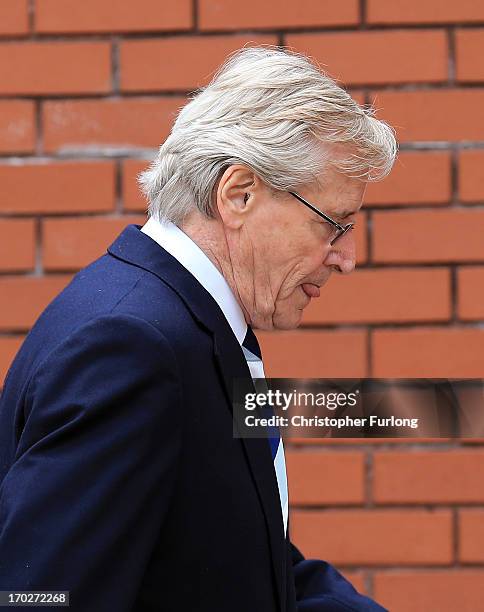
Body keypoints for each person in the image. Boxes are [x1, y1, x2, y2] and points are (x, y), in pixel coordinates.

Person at [0, 46, 396, 611]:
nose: (347, 256)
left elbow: (243, 560)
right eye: (333, 225)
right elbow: (39, 597)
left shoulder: (189, 323)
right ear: (238, 194)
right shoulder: (133, 346)